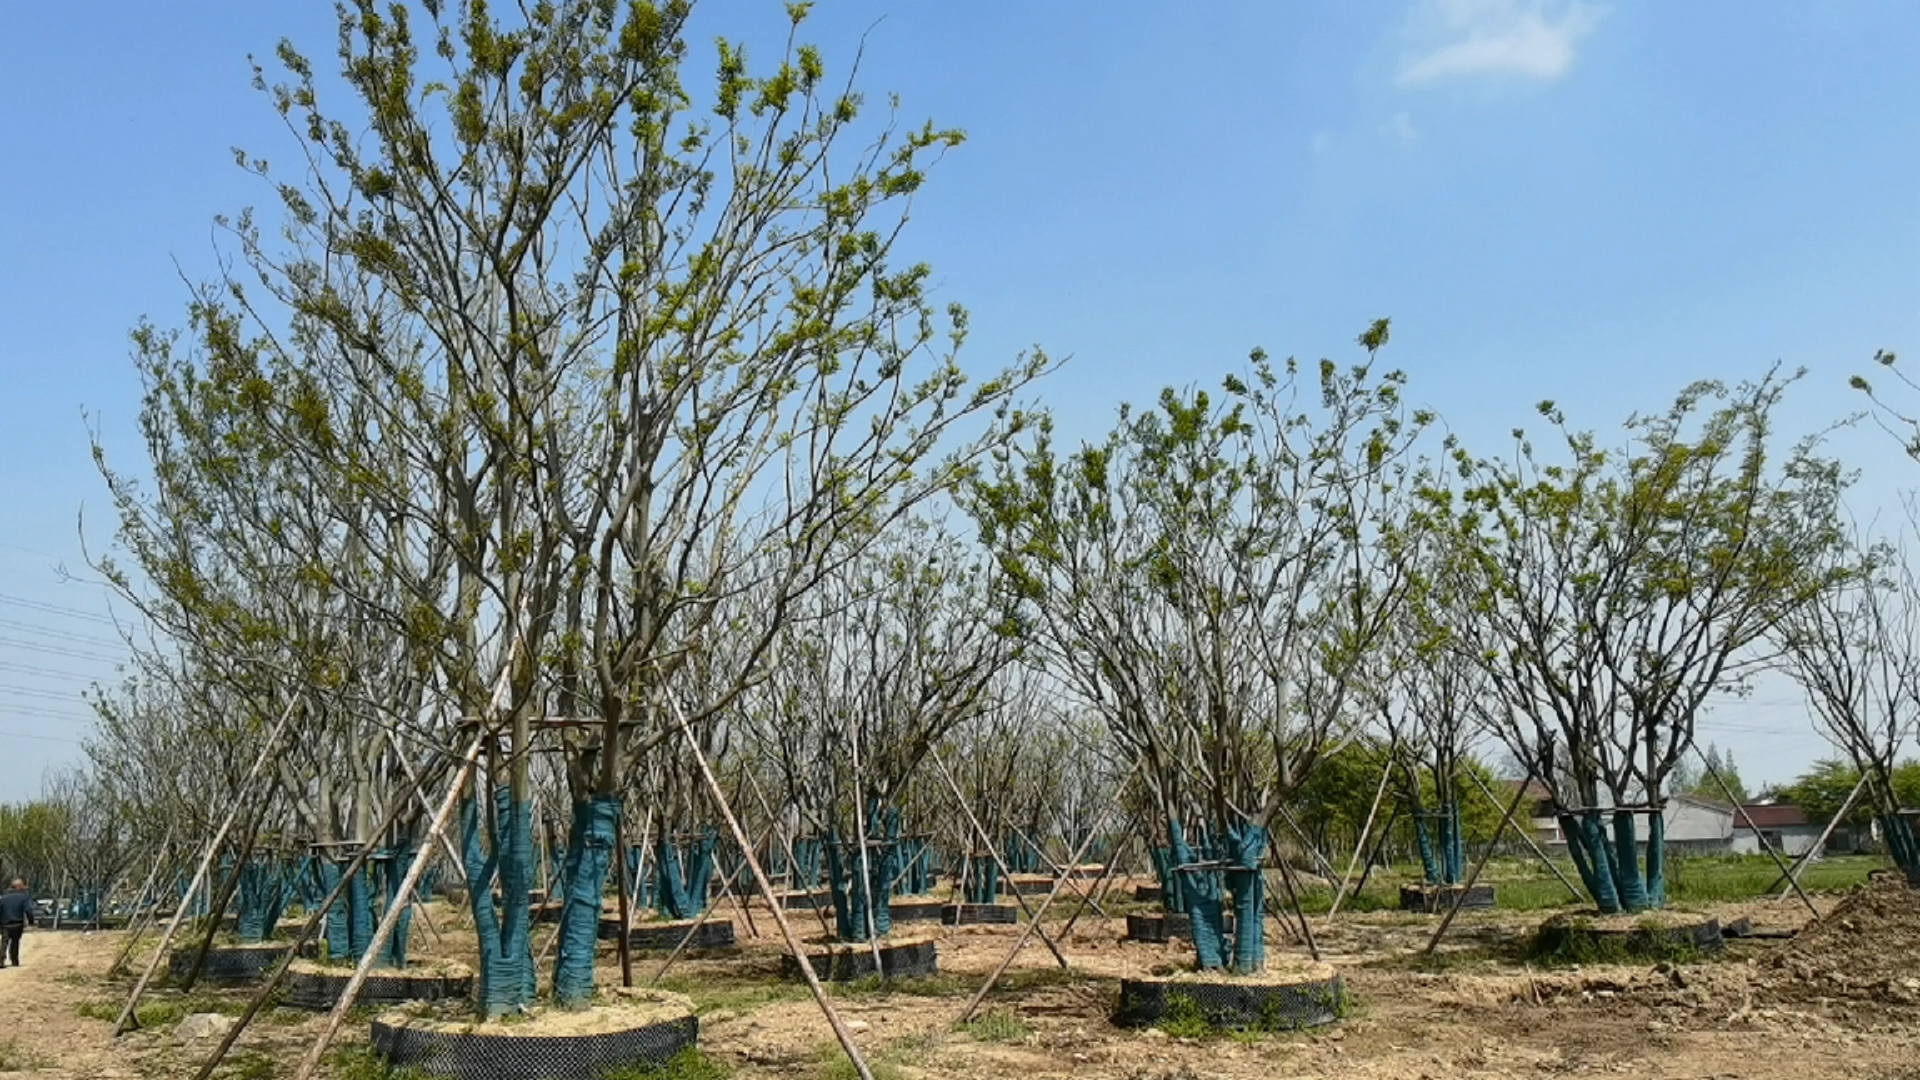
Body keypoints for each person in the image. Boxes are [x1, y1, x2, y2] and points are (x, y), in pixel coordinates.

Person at [0, 880, 34, 968]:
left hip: (5, 923)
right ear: (18, 887)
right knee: (15, 941)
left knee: (4, 941)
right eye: (22, 887)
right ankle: (14, 960)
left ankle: (1, 959)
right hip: (18, 923)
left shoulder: (4, 898)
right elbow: (28, 910)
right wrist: (31, 921)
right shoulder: (24, 897)